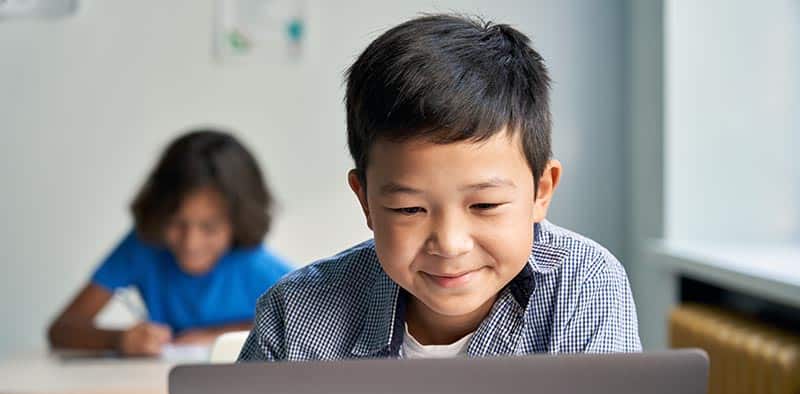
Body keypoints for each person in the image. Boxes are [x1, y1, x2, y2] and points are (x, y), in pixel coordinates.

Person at [239, 14, 640, 362]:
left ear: (541, 192)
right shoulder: (295, 314)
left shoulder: (584, 284)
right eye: (409, 209)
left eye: (484, 205)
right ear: (365, 200)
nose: (449, 244)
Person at [49, 130, 292, 357]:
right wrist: (120, 339)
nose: (191, 242)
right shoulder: (143, 247)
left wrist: (215, 336)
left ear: (238, 222)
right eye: (176, 223)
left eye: (209, 228)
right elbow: (62, 329)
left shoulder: (257, 266)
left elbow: (310, 326)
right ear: (158, 213)